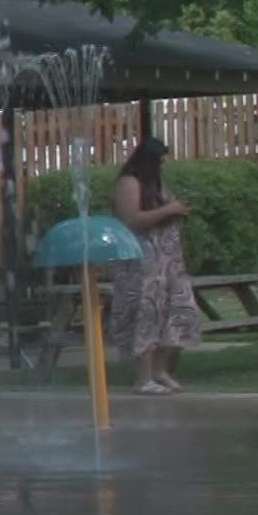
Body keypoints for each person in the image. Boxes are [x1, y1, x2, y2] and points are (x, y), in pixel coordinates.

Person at [108, 136, 201, 395]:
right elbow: (132, 219)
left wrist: (177, 210)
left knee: (180, 311)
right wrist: (168, 210)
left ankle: (161, 369)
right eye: (159, 161)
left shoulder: (156, 183)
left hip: (168, 260)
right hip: (142, 261)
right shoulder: (129, 182)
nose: (163, 166)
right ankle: (143, 377)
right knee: (148, 314)